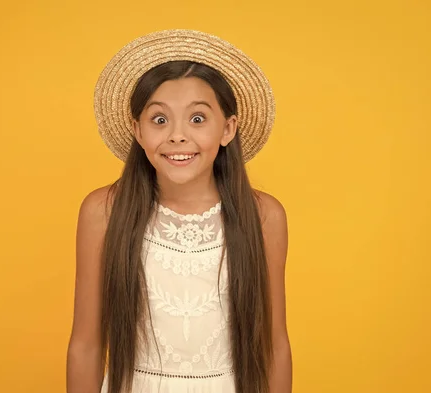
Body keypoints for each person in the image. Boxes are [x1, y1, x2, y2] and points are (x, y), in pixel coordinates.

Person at [67, 29, 292, 393]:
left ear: (228, 128)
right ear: (137, 131)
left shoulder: (264, 216)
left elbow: (274, 347)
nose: (177, 136)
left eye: (198, 119)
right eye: (159, 120)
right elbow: (86, 346)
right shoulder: (103, 211)